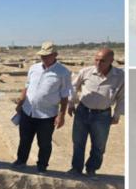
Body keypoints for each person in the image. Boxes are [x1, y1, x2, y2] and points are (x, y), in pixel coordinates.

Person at [12, 42, 71, 174]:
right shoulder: (34, 68)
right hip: (28, 111)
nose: (43, 58)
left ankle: (42, 165)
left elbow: (65, 96)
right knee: (24, 139)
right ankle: (21, 161)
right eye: (42, 55)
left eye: (47, 55)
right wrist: (20, 103)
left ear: (55, 55)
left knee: (44, 143)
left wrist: (61, 115)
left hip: (47, 114)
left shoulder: (63, 72)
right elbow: (27, 86)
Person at [67, 48, 124, 177]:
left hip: (102, 115)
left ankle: (91, 169)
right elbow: (73, 87)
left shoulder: (120, 76)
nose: (98, 63)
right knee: (78, 142)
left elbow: (122, 97)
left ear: (111, 61)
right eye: (96, 60)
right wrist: (71, 103)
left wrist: (117, 115)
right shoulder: (85, 72)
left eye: (102, 61)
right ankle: (76, 169)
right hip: (82, 111)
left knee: (99, 145)